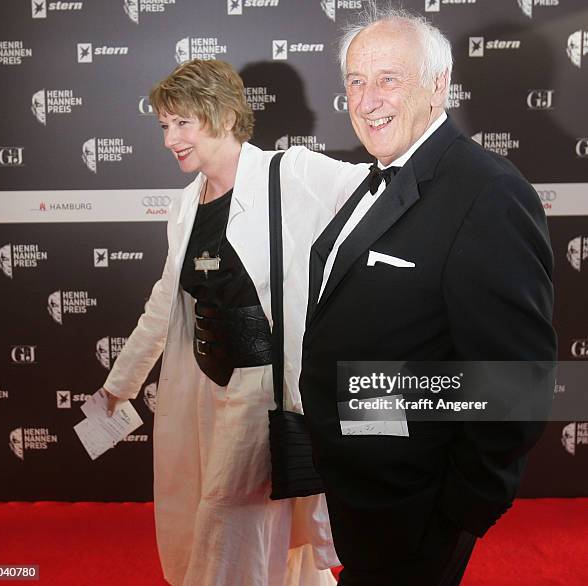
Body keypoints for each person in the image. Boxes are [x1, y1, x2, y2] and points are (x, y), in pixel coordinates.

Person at [298, 5, 557, 586]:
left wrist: (456, 512)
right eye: (356, 83)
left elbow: (516, 386)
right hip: (366, 491)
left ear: (439, 85)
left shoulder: (486, 192)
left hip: (417, 509)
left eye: (389, 79)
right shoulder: (379, 172)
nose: (367, 101)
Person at [100, 59, 370, 586]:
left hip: (262, 384)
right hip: (200, 388)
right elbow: (165, 302)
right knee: (216, 513)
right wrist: (120, 383)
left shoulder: (289, 172)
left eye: (182, 123)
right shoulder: (185, 204)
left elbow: (377, 193)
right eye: (163, 126)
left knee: (231, 516)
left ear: (223, 116)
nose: (169, 140)